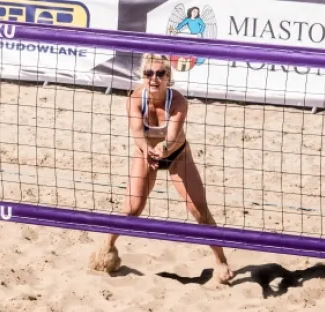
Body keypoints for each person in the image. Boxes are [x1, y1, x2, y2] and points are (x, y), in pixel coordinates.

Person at [89, 54, 233, 284]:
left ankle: (221, 261)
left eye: (160, 73)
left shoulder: (178, 102)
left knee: (199, 211)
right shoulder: (136, 99)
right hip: (146, 153)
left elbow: (173, 138)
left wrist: (162, 149)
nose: (153, 78)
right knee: (131, 209)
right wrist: (147, 149)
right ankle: (107, 248)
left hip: (176, 154)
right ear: (143, 76)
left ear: (168, 77)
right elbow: (137, 132)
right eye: (148, 73)